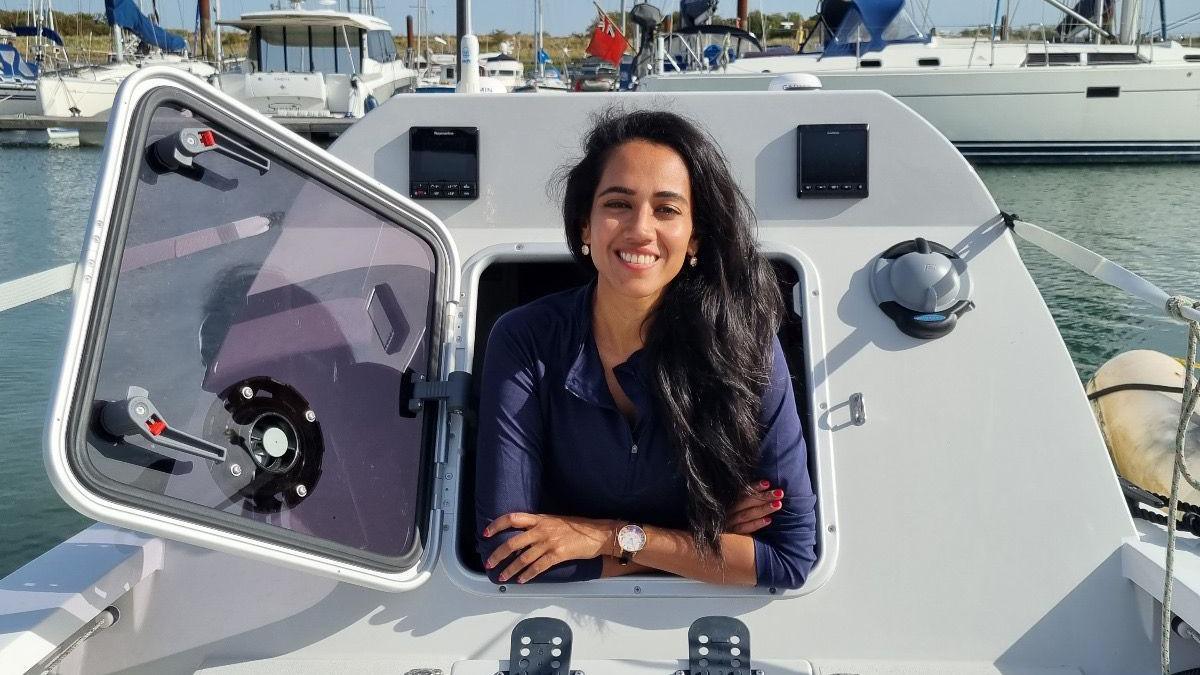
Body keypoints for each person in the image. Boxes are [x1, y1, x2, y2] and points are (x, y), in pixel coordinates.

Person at [474, 109, 817, 588]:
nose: (640, 229)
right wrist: (704, 544)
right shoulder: (524, 339)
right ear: (584, 228)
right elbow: (507, 552)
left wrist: (608, 537)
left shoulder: (747, 347)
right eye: (618, 203)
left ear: (694, 237)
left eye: (667, 209)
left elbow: (788, 558)